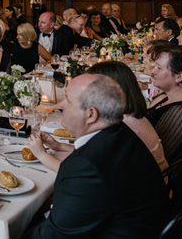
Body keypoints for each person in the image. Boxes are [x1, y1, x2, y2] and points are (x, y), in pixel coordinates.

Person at [24, 73, 168, 238]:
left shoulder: (86, 167)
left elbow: (52, 236)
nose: (60, 105)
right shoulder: (121, 134)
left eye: (68, 100)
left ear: (91, 115)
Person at [28, 61, 168, 173]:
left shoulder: (123, 125)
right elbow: (97, 156)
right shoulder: (129, 116)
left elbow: (79, 173)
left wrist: (42, 155)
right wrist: (59, 146)